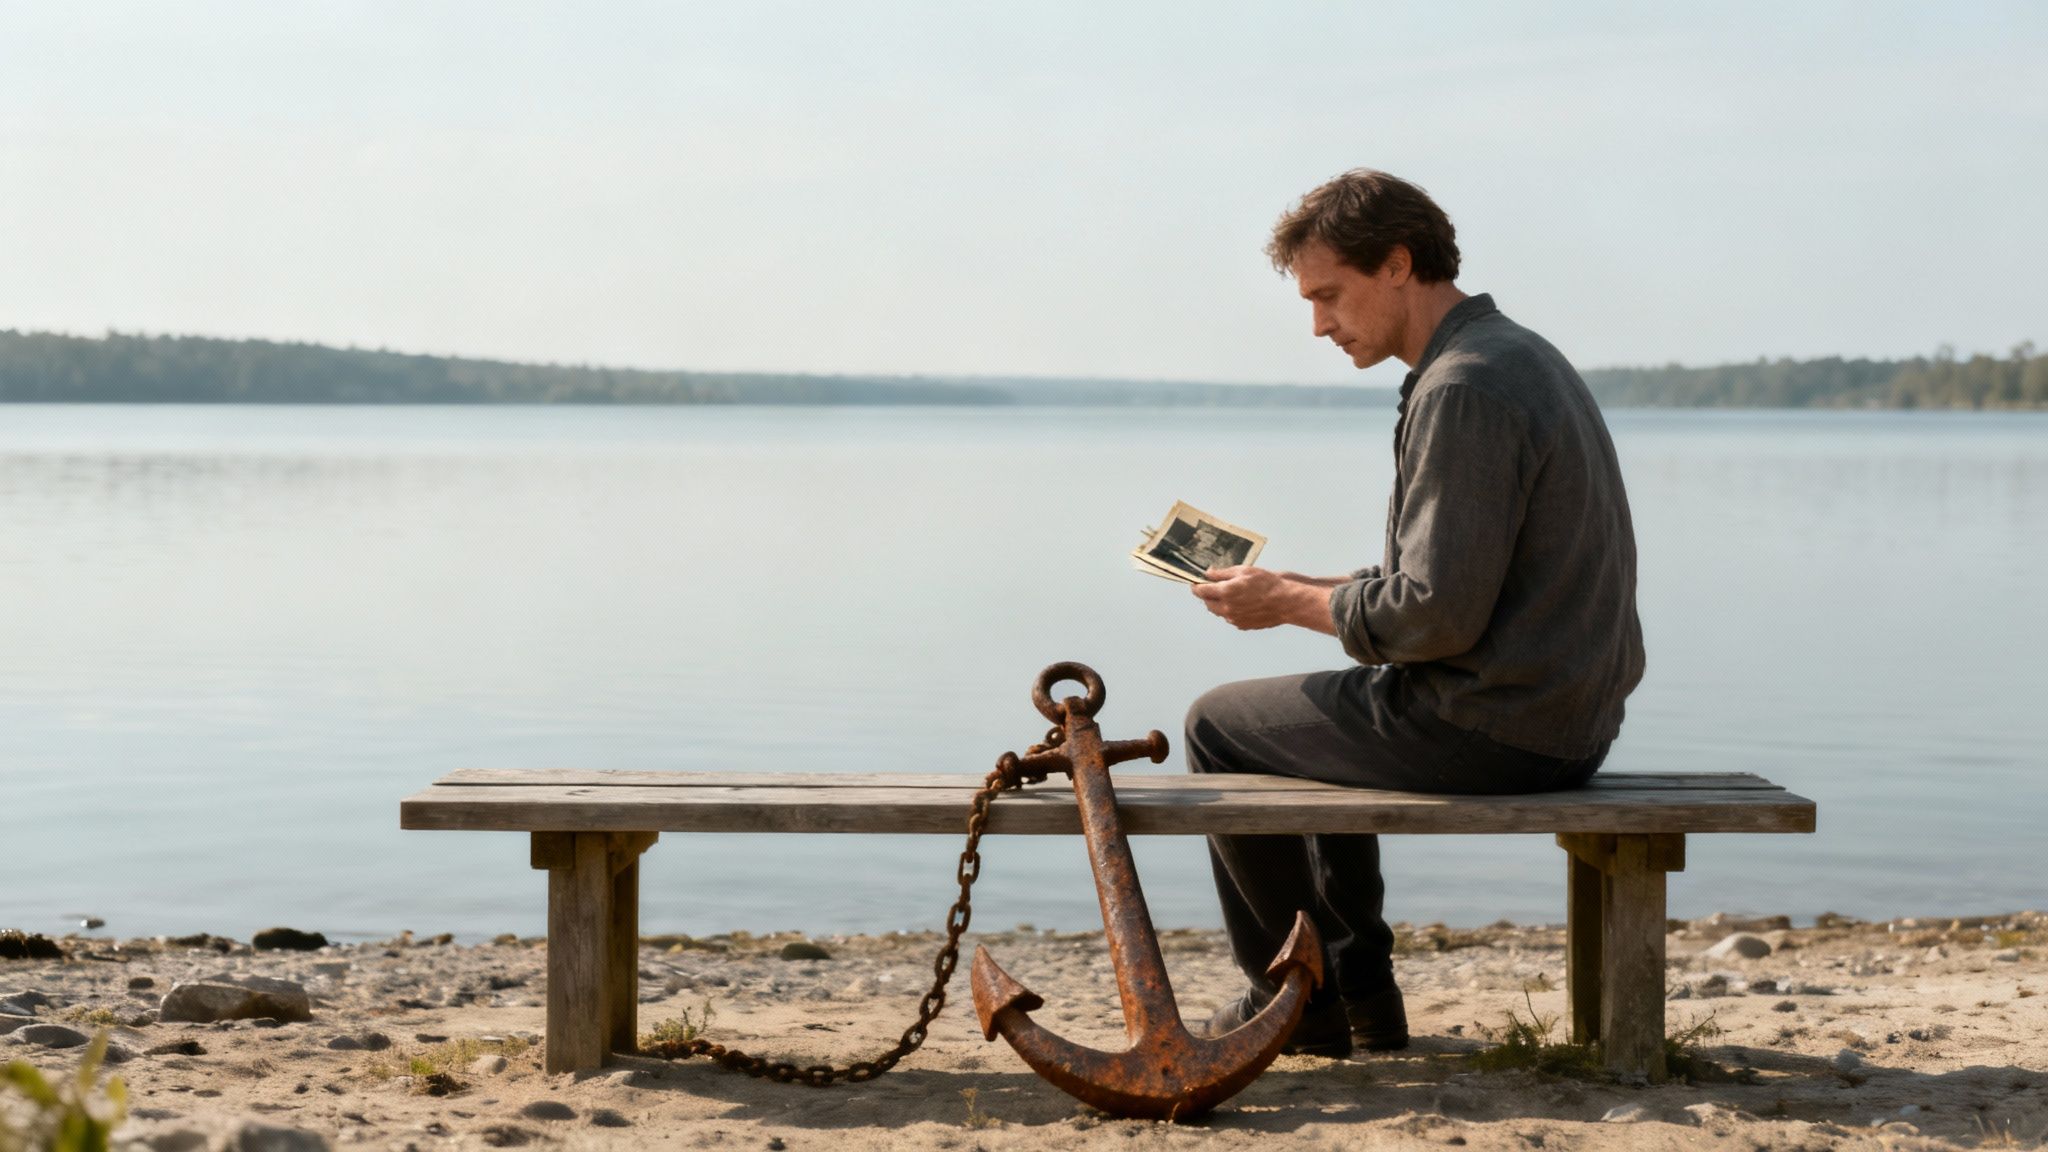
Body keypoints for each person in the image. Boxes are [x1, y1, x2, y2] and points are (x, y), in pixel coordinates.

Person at [1187, 169, 1646, 1059]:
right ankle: (1359, 996)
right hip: (1564, 716)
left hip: (1500, 725)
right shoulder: (1515, 355)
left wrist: (1286, 605)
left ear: (1397, 264)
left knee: (1218, 725)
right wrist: (1308, 587)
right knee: (1307, 718)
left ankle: (1293, 999)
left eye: (1329, 295)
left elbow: (1434, 619)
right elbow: (1450, 581)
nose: (1319, 324)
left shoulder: (1464, 387)